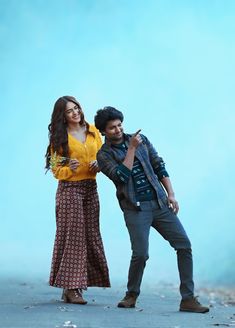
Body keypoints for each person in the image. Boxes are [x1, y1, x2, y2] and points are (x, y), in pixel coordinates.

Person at [94, 106, 209, 313]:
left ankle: (188, 299)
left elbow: (158, 164)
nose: (118, 130)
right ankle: (131, 295)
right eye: (112, 128)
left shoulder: (142, 140)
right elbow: (120, 176)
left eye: (120, 125)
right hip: (135, 208)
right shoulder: (103, 155)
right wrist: (131, 149)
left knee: (184, 245)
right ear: (103, 131)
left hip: (159, 203)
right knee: (141, 254)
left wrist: (171, 194)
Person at [45, 96, 110, 304]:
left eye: (77, 108)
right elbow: (56, 169)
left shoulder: (92, 131)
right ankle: (72, 289)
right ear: (62, 116)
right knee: (74, 236)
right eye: (70, 111)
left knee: (90, 235)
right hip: (69, 189)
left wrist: (98, 164)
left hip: (91, 188)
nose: (75, 113)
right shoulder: (59, 138)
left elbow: (103, 155)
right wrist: (67, 168)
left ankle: (76, 286)